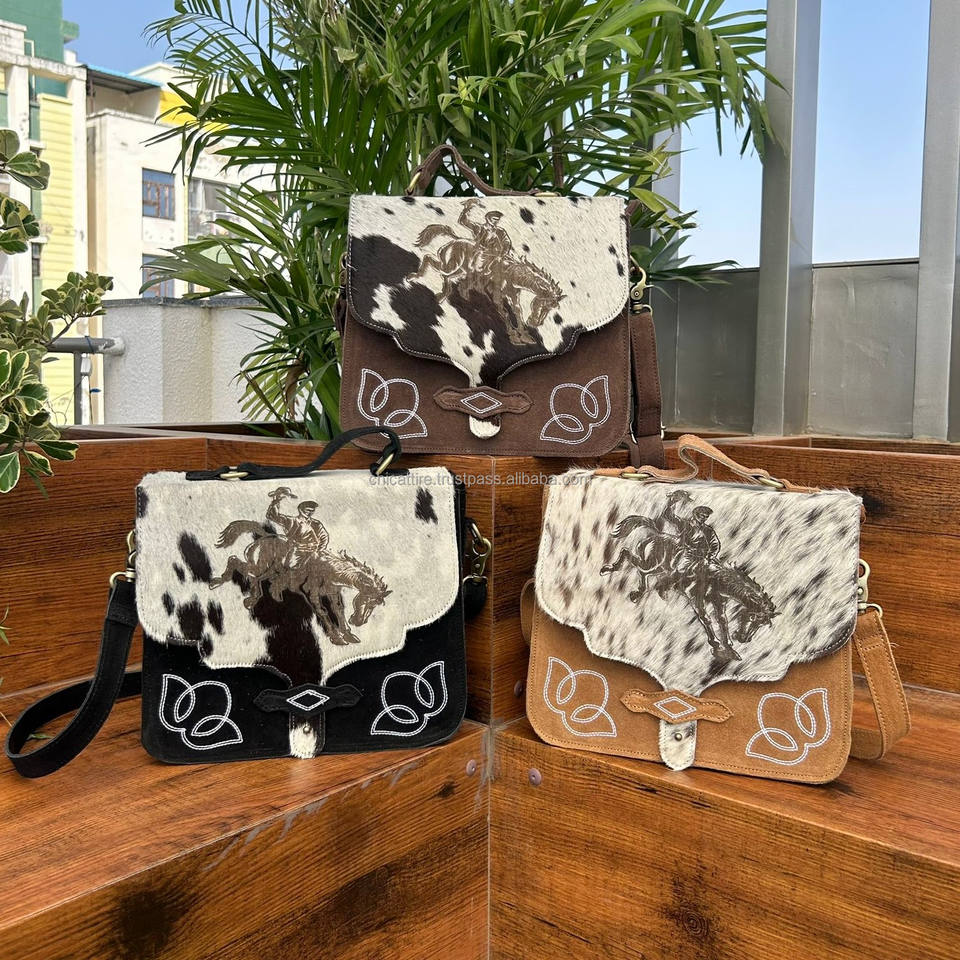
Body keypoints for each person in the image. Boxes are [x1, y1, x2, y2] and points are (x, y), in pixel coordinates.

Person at [266, 490, 330, 569]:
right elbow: (273, 516)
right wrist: (276, 501)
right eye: (308, 510)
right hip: (297, 552)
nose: (310, 513)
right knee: (291, 567)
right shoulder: (291, 521)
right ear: (300, 510)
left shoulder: (316, 524)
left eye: (312, 511)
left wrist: (319, 550)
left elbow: (324, 536)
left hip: (314, 551)